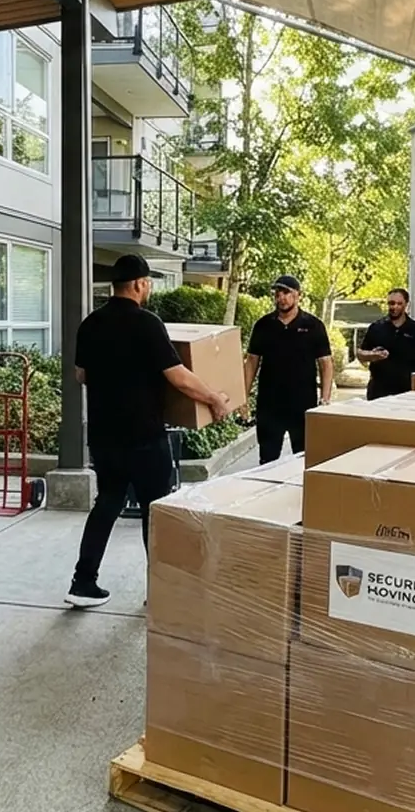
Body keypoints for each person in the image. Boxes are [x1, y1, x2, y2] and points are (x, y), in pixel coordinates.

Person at [66, 254, 232, 608]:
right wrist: (215, 399)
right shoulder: (147, 324)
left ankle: (82, 582)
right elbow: (179, 377)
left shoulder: (90, 324)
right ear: (140, 284)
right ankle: (158, 591)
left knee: (107, 504)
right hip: (144, 437)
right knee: (154, 510)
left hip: (104, 437)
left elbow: (81, 375)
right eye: (148, 283)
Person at [244, 274, 333, 465]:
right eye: (278, 293)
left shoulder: (313, 326)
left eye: (286, 292)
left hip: (302, 403)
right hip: (269, 403)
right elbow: (252, 361)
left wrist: (325, 399)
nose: (281, 297)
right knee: (267, 460)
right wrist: (243, 397)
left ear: (298, 295)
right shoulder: (263, 325)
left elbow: (325, 363)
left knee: (302, 458)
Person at [357, 288, 415, 401]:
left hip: (406, 391)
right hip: (378, 391)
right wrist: (372, 355)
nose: (394, 307)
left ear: (406, 305)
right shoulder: (376, 327)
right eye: (391, 303)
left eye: (399, 303)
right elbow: (360, 354)